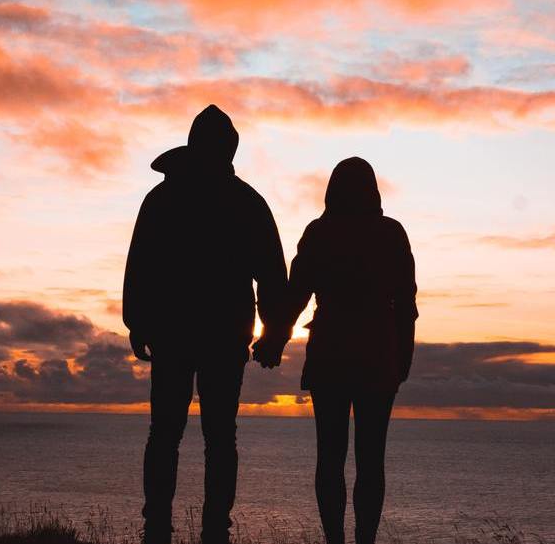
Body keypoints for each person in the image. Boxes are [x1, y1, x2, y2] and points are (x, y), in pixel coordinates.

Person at [123, 105, 287, 544]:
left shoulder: (163, 198)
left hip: (177, 332)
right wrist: (272, 335)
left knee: (167, 434)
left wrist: (137, 322)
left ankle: (160, 526)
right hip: (221, 334)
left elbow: (140, 266)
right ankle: (212, 529)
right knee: (217, 437)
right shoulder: (245, 201)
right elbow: (272, 275)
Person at [254, 157, 417, 544]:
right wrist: (402, 360)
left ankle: (335, 541)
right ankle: (364, 540)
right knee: (370, 461)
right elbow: (406, 307)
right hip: (378, 358)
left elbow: (296, 297)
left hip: (331, 355)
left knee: (330, 458)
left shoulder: (319, 233)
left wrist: (274, 339)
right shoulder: (392, 234)